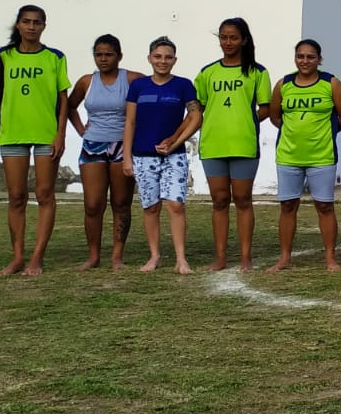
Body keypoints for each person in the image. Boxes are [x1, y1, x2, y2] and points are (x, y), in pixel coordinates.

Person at [0, 5, 71, 277]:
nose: (31, 27)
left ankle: (37, 258)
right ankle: (17, 257)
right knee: (16, 196)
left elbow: (63, 100)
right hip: (12, 133)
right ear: (18, 25)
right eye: (26, 22)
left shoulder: (55, 57)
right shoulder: (3, 57)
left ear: (44, 26)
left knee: (44, 194)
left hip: (45, 135)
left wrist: (60, 133)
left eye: (37, 23)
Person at [194, 17, 271, 272]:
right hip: (213, 145)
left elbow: (266, 108)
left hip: (244, 145)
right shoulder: (207, 72)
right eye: (224, 37)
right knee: (219, 200)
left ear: (244, 40)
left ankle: (246, 258)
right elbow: (198, 109)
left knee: (243, 200)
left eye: (233, 37)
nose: (228, 42)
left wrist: (244, 121)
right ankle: (220, 258)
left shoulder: (257, 72)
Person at [268, 39, 341, 272]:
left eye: (310, 57)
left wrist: (324, 134)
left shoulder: (331, 83)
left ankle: (330, 259)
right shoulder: (283, 84)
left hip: (322, 156)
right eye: (300, 56)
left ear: (319, 59)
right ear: (295, 58)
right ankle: (284, 258)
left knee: (324, 206)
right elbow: (275, 116)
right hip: (288, 156)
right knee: (287, 206)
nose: (305, 61)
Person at [122, 37, 202, 274]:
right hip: (143, 156)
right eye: (157, 56)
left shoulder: (183, 85)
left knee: (176, 205)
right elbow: (130, 121)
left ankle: (181, 259)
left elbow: (196, 117)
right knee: (150, 206)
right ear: (149, 58)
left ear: (175, 60)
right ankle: (154, 256)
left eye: (168, 57)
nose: (162, 61)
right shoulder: (138, 86)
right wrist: (127, 157)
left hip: (173, 156)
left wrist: (175, 141)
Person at [67, 34, 143, 270]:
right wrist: (81, 130)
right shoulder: (86, 81)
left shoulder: (132, 79)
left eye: (108, 54)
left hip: (122, 146)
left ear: (119, 56)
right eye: (98, 54)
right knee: (92, 204)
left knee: (121, 202)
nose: (103, 59)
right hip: (93, 145)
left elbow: (153, 98)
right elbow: (69, 107)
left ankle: (117, 256)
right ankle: (93, 256)